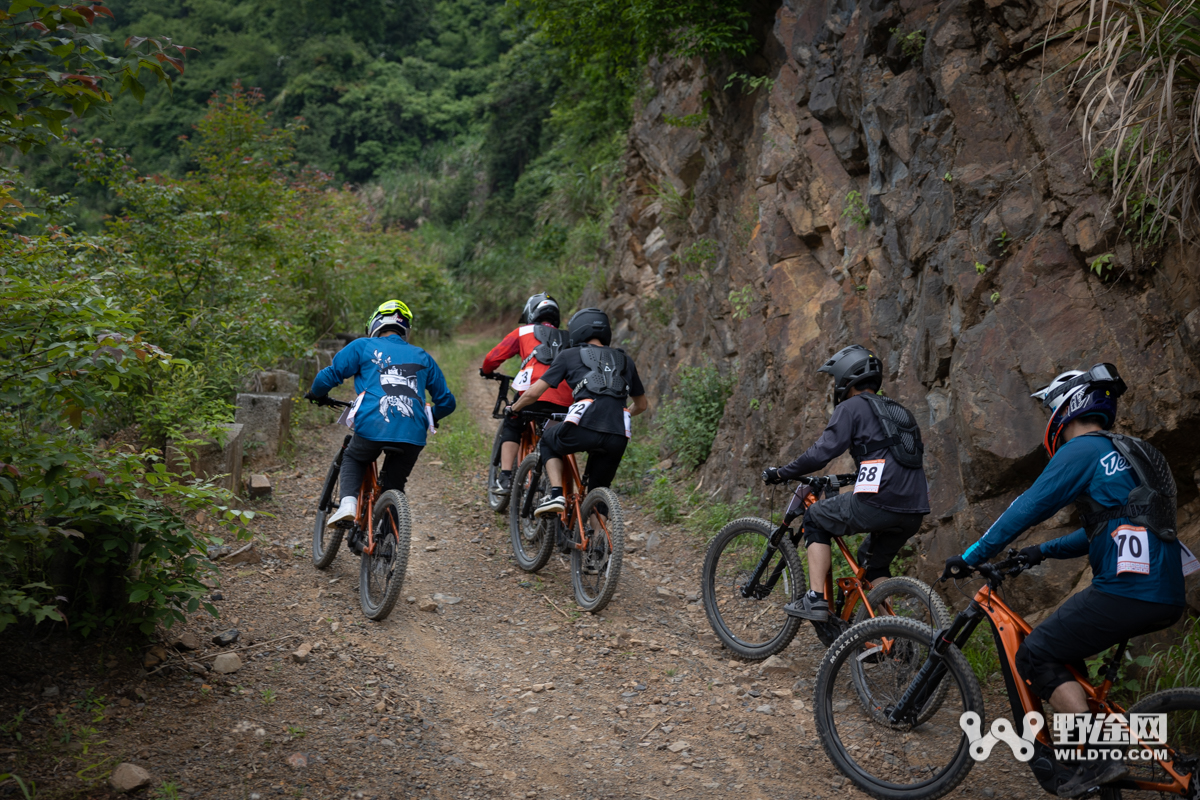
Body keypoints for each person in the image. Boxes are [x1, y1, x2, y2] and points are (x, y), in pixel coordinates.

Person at [942, 364, 1185, 798]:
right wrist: (1041, 551)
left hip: (1127, 592)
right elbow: (1108, 526)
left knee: (1036, 655)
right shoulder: (1131, 451)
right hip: (1165, 591)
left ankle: (1099, 759)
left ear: (1066, 408)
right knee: (1067, 652)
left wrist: (971, 556)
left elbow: (1026, 507)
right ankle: (1095, 751)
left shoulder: (1083, 450)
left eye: (1050, 409)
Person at [761, 344, 930, 621]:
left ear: (845, 378)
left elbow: (821, 453)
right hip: (915, 508)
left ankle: (815, 599)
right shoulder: (897, 411)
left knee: (815, 517)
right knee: (873, 566)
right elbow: (890, 457)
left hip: (879, 501)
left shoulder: (852, 407)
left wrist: (783, 473)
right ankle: (887, 631)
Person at [306, 299, 456, 527]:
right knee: (394, 486)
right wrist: (429, 418)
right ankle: (389, 542)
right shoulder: (423, 356)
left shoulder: (363, 346)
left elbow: (329, 375)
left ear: (375, 323)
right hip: (413, 434)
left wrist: (316, 394)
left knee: (354, 457)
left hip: (371, 426)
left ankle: (347, 504)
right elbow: (447, 402)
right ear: (405, 328)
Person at [509, 308, 648, 516]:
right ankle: (600, 544)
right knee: (598, 488)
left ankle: (556, 494)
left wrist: (514, 408)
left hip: (583, 426)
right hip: (618, 434)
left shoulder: (569, 355)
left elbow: (534, 392)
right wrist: (621, 413)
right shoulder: (625, 360)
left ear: (576, 331)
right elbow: (642, 405)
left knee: (548, 440)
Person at [480, 293, 573, 496]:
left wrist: (486, 371)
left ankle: (505, 478)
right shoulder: (569, 337)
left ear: (532, 312)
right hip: (566, 400)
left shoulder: (524, 331)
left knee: (512, 420)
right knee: (555, 438)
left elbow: (494, 357)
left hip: (533, 394)